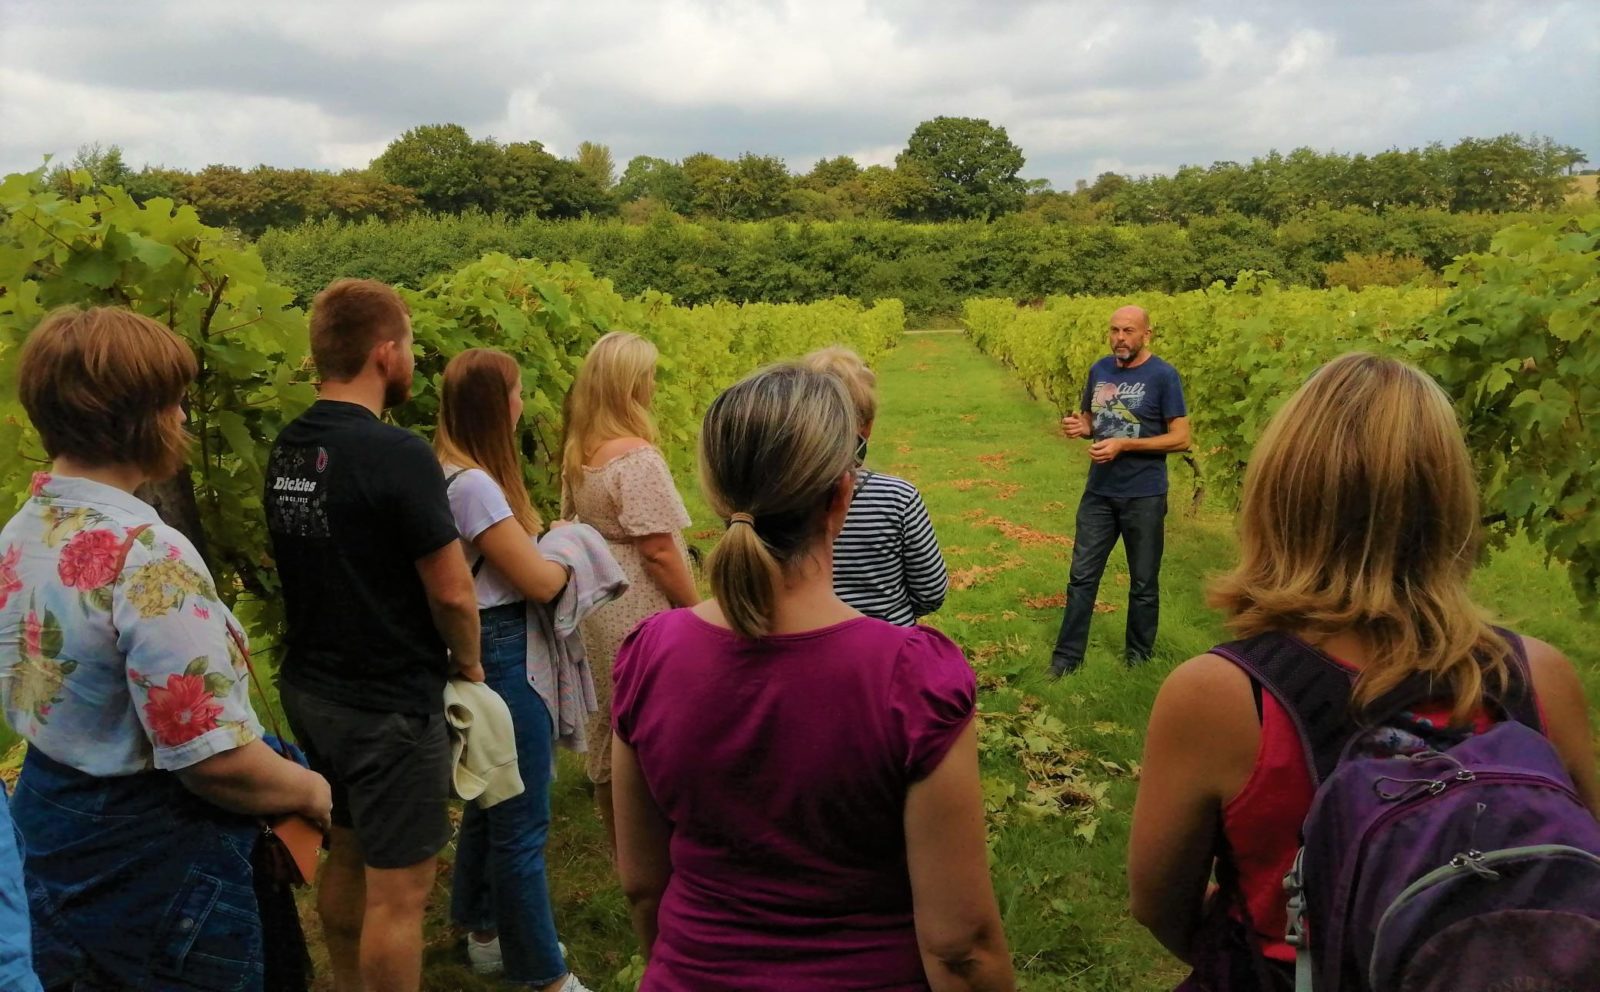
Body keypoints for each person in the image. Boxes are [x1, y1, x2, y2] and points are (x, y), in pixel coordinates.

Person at [1127, 354, 1600, 987]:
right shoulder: (1539, 677)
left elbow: (1160, 906)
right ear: (1450, 500)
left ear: (1281, 492)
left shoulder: (1225, 696)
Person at [610, 364, 1014, 992]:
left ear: (716, 496)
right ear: (841, 495)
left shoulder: (649, 654)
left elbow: (642, 885)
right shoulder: (911, 678)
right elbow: (960, 944)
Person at [1, 307, 331, 991]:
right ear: (138, 417)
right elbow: (214, 763)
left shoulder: (20, 533)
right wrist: (314, 791)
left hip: (49, 825)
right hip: (153, 859)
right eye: (175, 402)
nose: (183, 418)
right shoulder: (145, 556)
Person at [264, 279, 482, 992]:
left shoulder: (289, 449)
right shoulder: (398, 453)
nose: (413, 358)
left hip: (313, 690)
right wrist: (469, 663)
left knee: (349, 853)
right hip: (387, 703)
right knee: (402, 893)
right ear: (385, 353)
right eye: (411, 343)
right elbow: (452, 589)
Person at [433, 348, 591, 992]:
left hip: (484, 645)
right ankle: (544, 975)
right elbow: (538, 580)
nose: (524, 401)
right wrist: (575, 544)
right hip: (502, 650)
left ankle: (482, 929)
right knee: (523, 818)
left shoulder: (441, 466)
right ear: (498, 406)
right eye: (519, 392)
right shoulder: (473, 485)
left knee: (490, 799)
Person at [560, 331, 697, 854]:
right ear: (630, 385)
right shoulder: (635, 458)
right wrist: (697, 609)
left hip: (597, 600)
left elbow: (571, 517)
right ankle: (660, 846)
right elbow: (659, 551)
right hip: (638, 603)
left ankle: (626, 851)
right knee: (651, 717)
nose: (655, 385)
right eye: (649, 376)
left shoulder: (583, 449)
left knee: (609, 721)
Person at [1050, 304, 1189, 676]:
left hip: (1144, 493)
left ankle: (1138, 660)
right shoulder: (1100, 369)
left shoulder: (1163, 375)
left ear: (1147, 334)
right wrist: (1082, 428)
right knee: (1081, 576)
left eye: (1128, 331)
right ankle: (1066, 660)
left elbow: (1181, 437)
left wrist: (1125, 446)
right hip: (1099, 492)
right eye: (1114, 330)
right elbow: (1095, 421)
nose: (1120, 338)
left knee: (1143, 581)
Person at [802, 346, 948, 626]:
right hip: (889, 647)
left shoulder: (777, 495)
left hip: (805, 646)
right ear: (866, 427)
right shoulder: (898, 498)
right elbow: (931, 591)